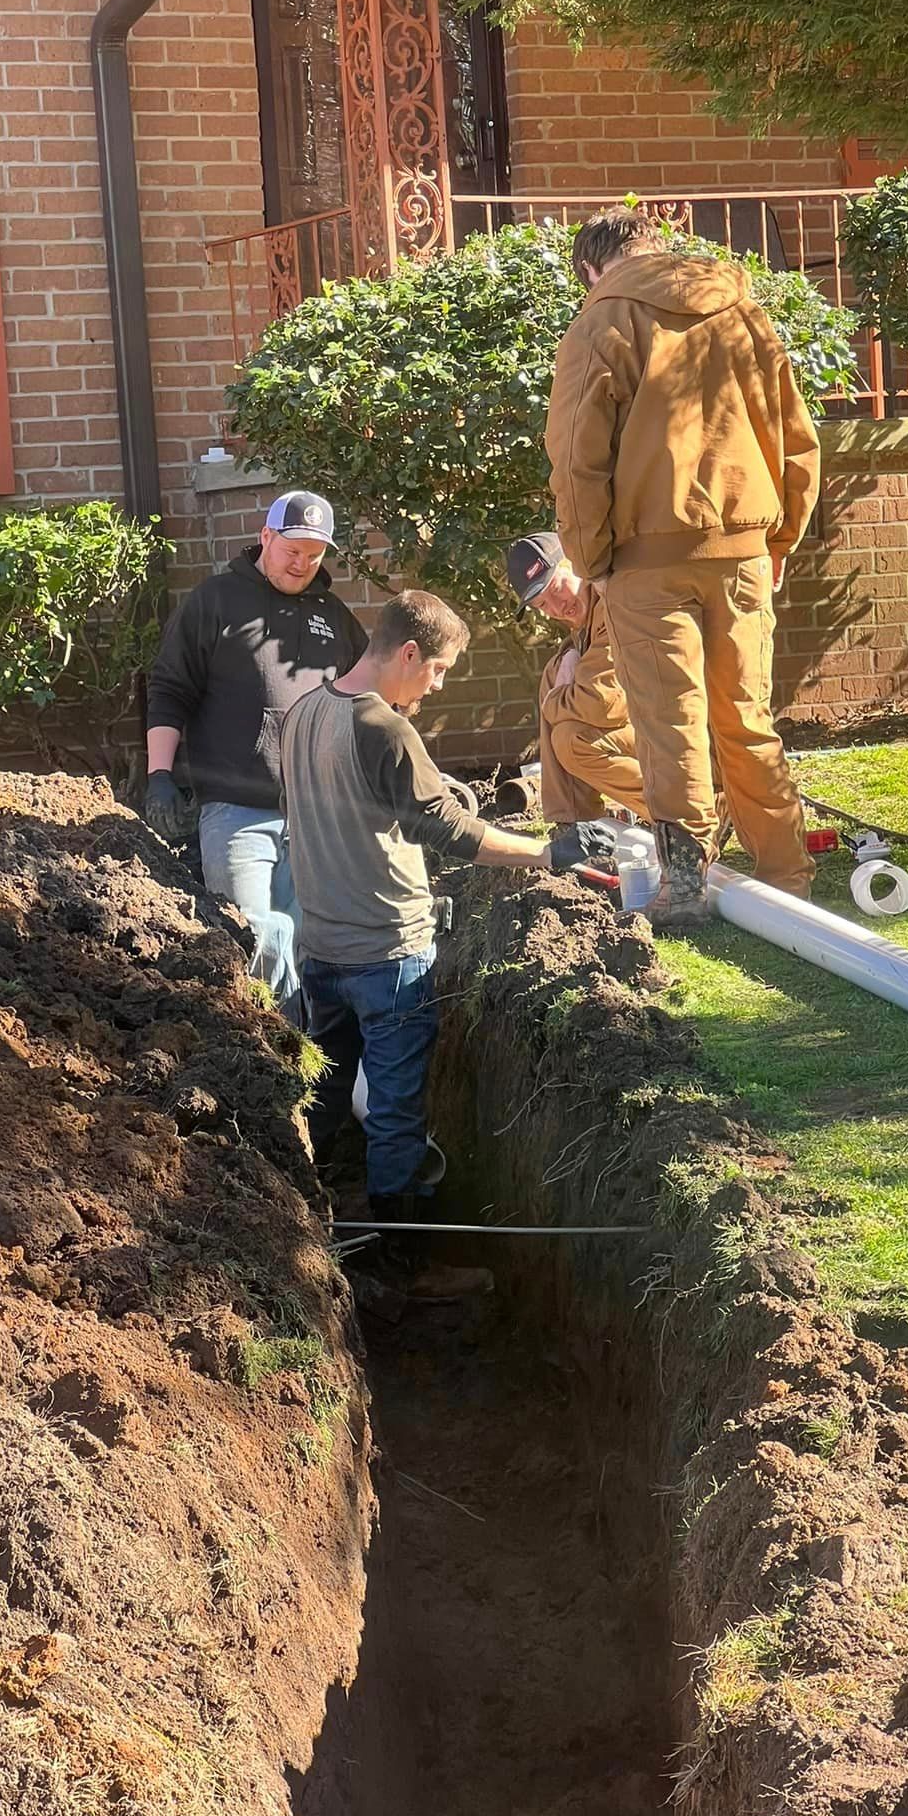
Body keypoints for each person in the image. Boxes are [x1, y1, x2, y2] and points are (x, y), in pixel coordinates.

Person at [280, 589, 608, 1253]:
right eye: (436, 671)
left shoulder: (303, 710)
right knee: (397, 1113)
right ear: (407, 653)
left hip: (322, 952)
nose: (433, 687)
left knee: (326, 1092)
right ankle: (404, 1261)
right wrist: (552, 853)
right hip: (387, 955)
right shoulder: (383, 727)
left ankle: (311, 1222)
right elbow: (454, 831)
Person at [545, 205, 820, 924]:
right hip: (746, 546)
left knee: (669, 723)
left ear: (591, 270)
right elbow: (795, 435)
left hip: (647, 559)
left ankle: (690, 887)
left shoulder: (600, 321)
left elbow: (577, 456)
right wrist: (781, 539)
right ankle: (787, 875)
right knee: (746, 716)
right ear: (654, 249)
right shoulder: (743, 312)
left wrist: (592, 559)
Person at [143, 491, 367, 1020]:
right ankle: (275, 1058)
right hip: (237, 813)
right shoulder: (215, 602)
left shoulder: (332, 616)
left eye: (314, 554)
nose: (302, 563)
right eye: (292, 548)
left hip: (316, 816)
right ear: (265, 537)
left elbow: (368, 701)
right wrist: (159, 774)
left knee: (311, 945)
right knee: (253, 934)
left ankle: (318, 1075)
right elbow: (170, 688)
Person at [505, 532, 648, 824]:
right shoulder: (586, 620)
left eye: (557, 587)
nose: (557, 608)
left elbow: (602, 705)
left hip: (690, 736)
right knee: (555, 672)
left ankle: (689, 814)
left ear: (576, 564)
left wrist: (552, 702)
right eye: (542, 605)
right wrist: (569, 653)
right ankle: (571, 823)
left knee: (573, 741)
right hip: (653, 727)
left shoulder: (613, 605)